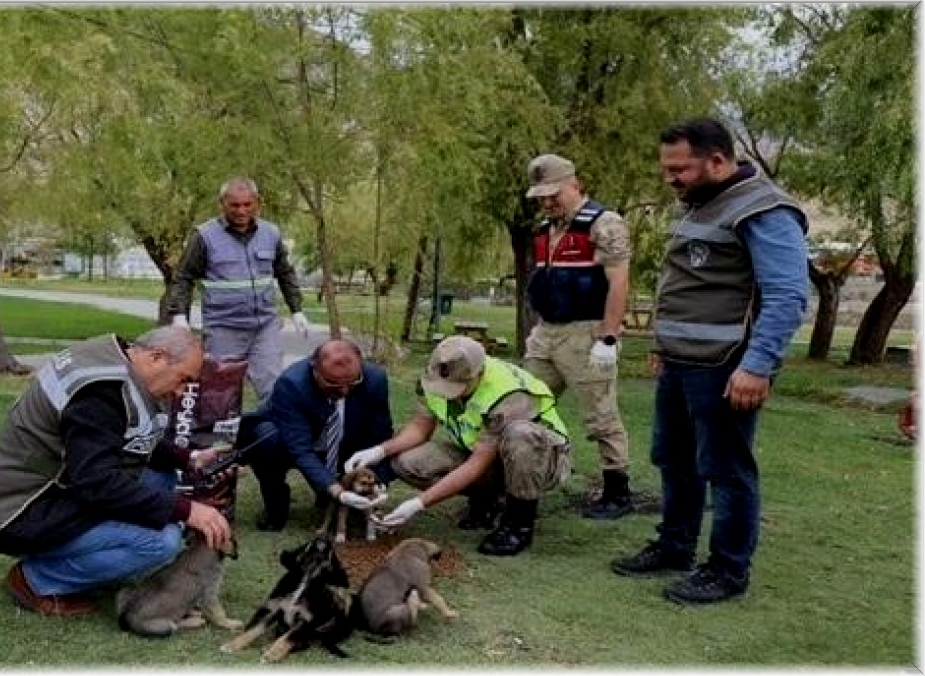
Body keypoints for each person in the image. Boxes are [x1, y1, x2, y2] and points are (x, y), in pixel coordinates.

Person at [610, 118, 809, 605]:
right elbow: (686, 285)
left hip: (726, 366)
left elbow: (787, 295)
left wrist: (758, 364)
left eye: (680, 168)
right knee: (674, 459)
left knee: (726, 470)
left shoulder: (764, 210)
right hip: (682, 362)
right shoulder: (700, 204)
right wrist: (663, 343)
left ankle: (727, 570)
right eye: (666, 169)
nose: (670, 178)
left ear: (718, 160)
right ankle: (675, 546)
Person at [0, 326, 233, 616]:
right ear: (157, 357)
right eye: (183, 379)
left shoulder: (114, 362)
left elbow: (126, 437)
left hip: (49, 491)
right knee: (161, 543)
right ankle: (36, 581)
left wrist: (190, 458)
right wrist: (188, 511)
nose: (181, 392)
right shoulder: (101, 393)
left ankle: (86, 559)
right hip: (19, 512)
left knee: (163, 478)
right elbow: (97, 484)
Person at [347, 336, 571, 556]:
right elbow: (420, 427)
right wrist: (380, 451)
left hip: (543, 461)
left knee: (520, 435)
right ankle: (489, 501)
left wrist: (417, 504)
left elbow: (478, 463)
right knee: (406, 461)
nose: (447, 392)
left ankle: (518, 524)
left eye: (456, 386)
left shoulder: (508, 393)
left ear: (478, 373)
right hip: (486, 455)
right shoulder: (433, 375)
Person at [522, 153, 634, 522]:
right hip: (547, 332)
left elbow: (619, 282)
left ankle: (617, 490)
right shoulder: (545, 230)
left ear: (574, 183)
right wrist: (539, 328)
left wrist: (608, 338)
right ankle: (522, 481)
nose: (548, 201)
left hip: (586, 331)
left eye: (554, 193)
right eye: (541, 195)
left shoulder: (604, 224)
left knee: (600, 414)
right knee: (523, 407)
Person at [166, 177, 311, 405]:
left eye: (247, 204)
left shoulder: (271, 234)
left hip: (264, 327)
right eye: (234, 205)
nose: (241, 211)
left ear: (257, 203)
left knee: (274, 389)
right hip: (224, 328)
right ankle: (219, 439)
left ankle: (272, 435)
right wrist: (179, 316)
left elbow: (284, 272)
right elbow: (183, 277)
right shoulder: (204, 236)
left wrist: (297, 310)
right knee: (220, 393)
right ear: (222, 203)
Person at [236, 339, 395, 531]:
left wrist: (379, 482)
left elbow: (381, 435)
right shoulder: (292, 384)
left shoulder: (375, 379)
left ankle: (332, 494)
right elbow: (300, 450)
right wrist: (336, 491)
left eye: (352, 383)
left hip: (347, 447)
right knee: (266, 438)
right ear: (315, 369)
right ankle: (276, 506)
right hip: (293, 444)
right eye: (333, 384)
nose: (344, 391)